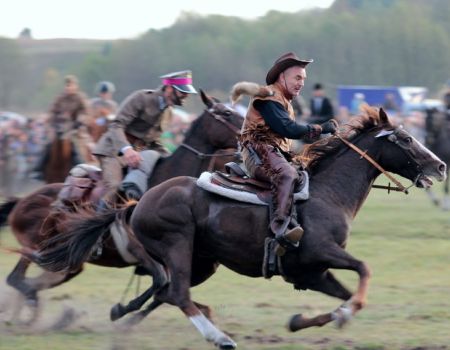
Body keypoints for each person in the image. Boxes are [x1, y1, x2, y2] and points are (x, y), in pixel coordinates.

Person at [239, 52, 337, 255]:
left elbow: (293, 131)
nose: (301, 83)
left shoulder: (286, 101)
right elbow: (287, 128)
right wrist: (321, 128)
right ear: (282, 77)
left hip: (275, 153)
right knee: (287, 175)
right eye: (297, 78)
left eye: (303, 79)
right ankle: (280, 230)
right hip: (258, 153)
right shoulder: (268, 95)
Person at [93, 70, 197, 205]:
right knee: (115, 188)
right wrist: (128, 150)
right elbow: (116, 126)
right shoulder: (141, 98)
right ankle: (100, 223)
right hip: (112, 151)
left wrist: (171, 157)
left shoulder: (169, 112)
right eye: (183, 92)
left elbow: (154, 141)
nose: (186, 96)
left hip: (138, 155)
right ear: (170, 89)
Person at [31, 75, 91, 179]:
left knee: (75, 147)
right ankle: (38, 170)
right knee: (49, 145)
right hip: (59, 127)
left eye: (71, 85)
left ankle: (81, 170)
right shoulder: (60, 98)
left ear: (76, 86)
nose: (68, 88)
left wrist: (79, 120)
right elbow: (52, 111)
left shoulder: (80, 98)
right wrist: (50, 118)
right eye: (67, 86)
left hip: (74, 129)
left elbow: (85, 112)